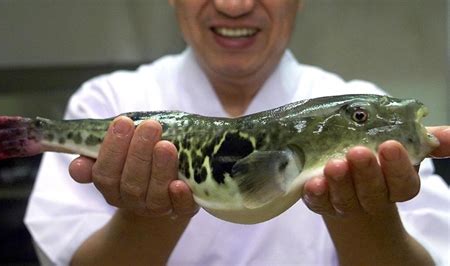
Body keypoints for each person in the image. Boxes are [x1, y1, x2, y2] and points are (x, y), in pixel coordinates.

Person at [24, 1, 450, 265]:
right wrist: (148, 210)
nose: (233, 5)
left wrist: (361, 210)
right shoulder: (106, 101)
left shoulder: (368, 106)